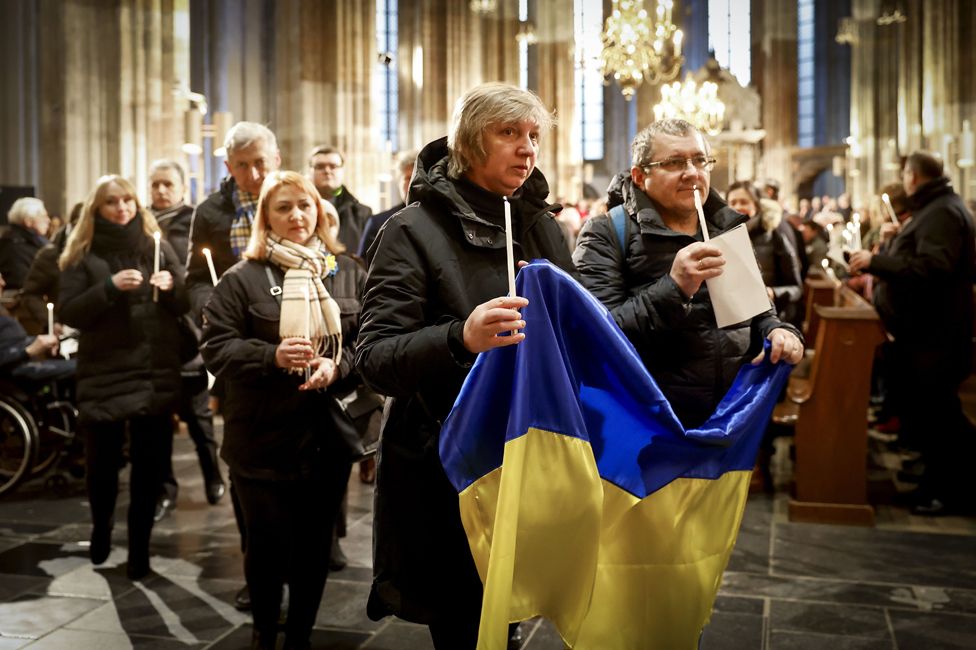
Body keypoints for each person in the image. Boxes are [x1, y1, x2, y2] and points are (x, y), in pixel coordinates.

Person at [356, 82, 575, 649]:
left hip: (527, 454)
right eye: (509, 134)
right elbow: (375, 357)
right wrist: (461, 337)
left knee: (506, 618)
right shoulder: (410, 231)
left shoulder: (541, 226)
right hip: (446, 462)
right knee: (463, 621)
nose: (527, 149)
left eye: (533, 136)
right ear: (468, 144)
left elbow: (573, 332)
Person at [200, 170, 360, 649]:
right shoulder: (241, 278)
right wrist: (269, 356)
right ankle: (264, 632)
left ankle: (300, 637)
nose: (296, 216)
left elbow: (368, 342)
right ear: (264, 218)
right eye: (283, 207)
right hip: (261, 439)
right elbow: (215, 348)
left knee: (313, 552)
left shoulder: (345, 270)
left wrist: (337, 366)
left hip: (325, 437)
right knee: (267, 551)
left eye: (304, 205)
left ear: (318, 211)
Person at [573, 119, 803, 431]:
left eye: (699, 160)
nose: (692, 172)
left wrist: (778, 331)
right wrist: (675, 287)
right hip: (649, 423)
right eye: (674, 162)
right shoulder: (606, 233)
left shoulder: (725, 227)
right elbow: (596, 336)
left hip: (731, 417)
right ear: (640, 176)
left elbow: (756, 311)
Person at [58, 174, 188, 580]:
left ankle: (139, 551)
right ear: (97, 209)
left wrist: (170, 286)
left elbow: (184, 301)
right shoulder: (83, 252)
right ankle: (101, 528)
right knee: (102, 465)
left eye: (128, 200)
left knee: (149, 469)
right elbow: (70, 311)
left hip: (153, 369)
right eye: (112, 202)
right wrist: (110, 288)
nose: (122, 208)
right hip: (105, 370)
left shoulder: (155, 245)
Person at [184, 121, 281, 611]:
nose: (253, 173)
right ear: (228, 167)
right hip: (241, 346)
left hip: (294, 338)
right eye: (242, 165)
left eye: (260, 162)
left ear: (277, 159)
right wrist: (213, 303)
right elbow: (196, 278)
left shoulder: (290, 198)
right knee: (247, 460)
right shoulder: (212, 211)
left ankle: (315, 550)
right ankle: (257, 568)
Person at [849, 151, 976, 515]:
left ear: (913, 176)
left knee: (940, 419)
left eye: (905, 174)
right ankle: (934, 484)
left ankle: (951, 492)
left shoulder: (942, 212)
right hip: (923, 335)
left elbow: (933, 268)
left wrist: (877, 261)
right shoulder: (933, 210)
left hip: (936, 336)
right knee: (929, 416)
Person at [147, 159, 225, 521]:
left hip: (188, 335)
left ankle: (212, 475)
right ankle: (165, 488)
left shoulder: (193, 220)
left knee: (197, 417)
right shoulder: (142, 224)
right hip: (152, 336)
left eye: (167, 184)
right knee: (159, 420)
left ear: (182, 188)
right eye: (155, 184)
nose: (161, 191)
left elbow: (201, 274)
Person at [726, 181, 804, 325]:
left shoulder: (774, 234)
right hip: (734, 324)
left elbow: (796, 288)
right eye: (733, 202)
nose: (737, 207)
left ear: (755, 205)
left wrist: (773, 293)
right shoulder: (721, 236)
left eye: (744, 202)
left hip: (769, 322)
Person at [307, 145, 373, 252]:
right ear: (310, 170)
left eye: (333, 166)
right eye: (320, 166)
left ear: (342, 170)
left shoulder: (362, 213)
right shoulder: (299, 211)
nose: (327, 171)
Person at [358, 149, 417, 260]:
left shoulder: (441, 220)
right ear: (399, 182)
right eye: (408, 178)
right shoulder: (379, 223)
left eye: (417, 177)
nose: (412, 184)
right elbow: (363, 266)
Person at [0, 197, 51, 293]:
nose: (48, 220)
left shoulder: (32, 242)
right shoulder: (14, 247)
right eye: (43, 216)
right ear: (28, 221)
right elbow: (22, 283)